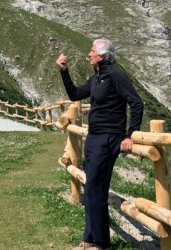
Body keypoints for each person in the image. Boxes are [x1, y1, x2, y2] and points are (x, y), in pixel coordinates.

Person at [56, 38, 144, 250]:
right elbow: (75, 94)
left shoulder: (115, 75)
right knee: (93, 188)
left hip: (109, 138)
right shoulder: (96, 77)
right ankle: (90, 240)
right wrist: (64, 71)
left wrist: (129, 135)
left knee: (94, 188)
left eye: (92, 51)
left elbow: (136, 102)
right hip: (95, 137)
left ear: (102, 56)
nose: (89, 54)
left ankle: (99, 243)